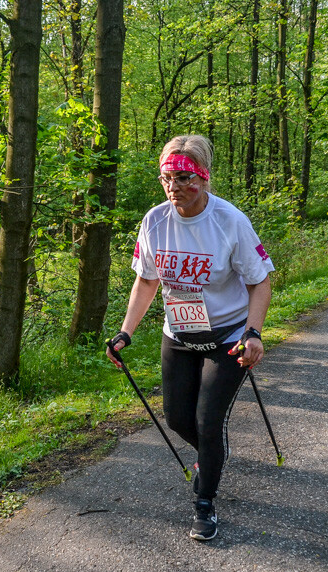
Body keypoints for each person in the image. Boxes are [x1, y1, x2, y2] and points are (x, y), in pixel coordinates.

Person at [106, 134, 274, 542]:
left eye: (184, 177)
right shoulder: (154, 220)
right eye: (167, 177)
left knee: (206, 419)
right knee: (178, 418)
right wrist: (126, 332)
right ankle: (212, 453)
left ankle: (204, 502)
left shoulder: (229, 221)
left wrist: (253, 333)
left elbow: (261, 281)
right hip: (179, 332)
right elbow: (147, 281)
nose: (174, 186)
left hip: (228, 336)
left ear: (204, 177)